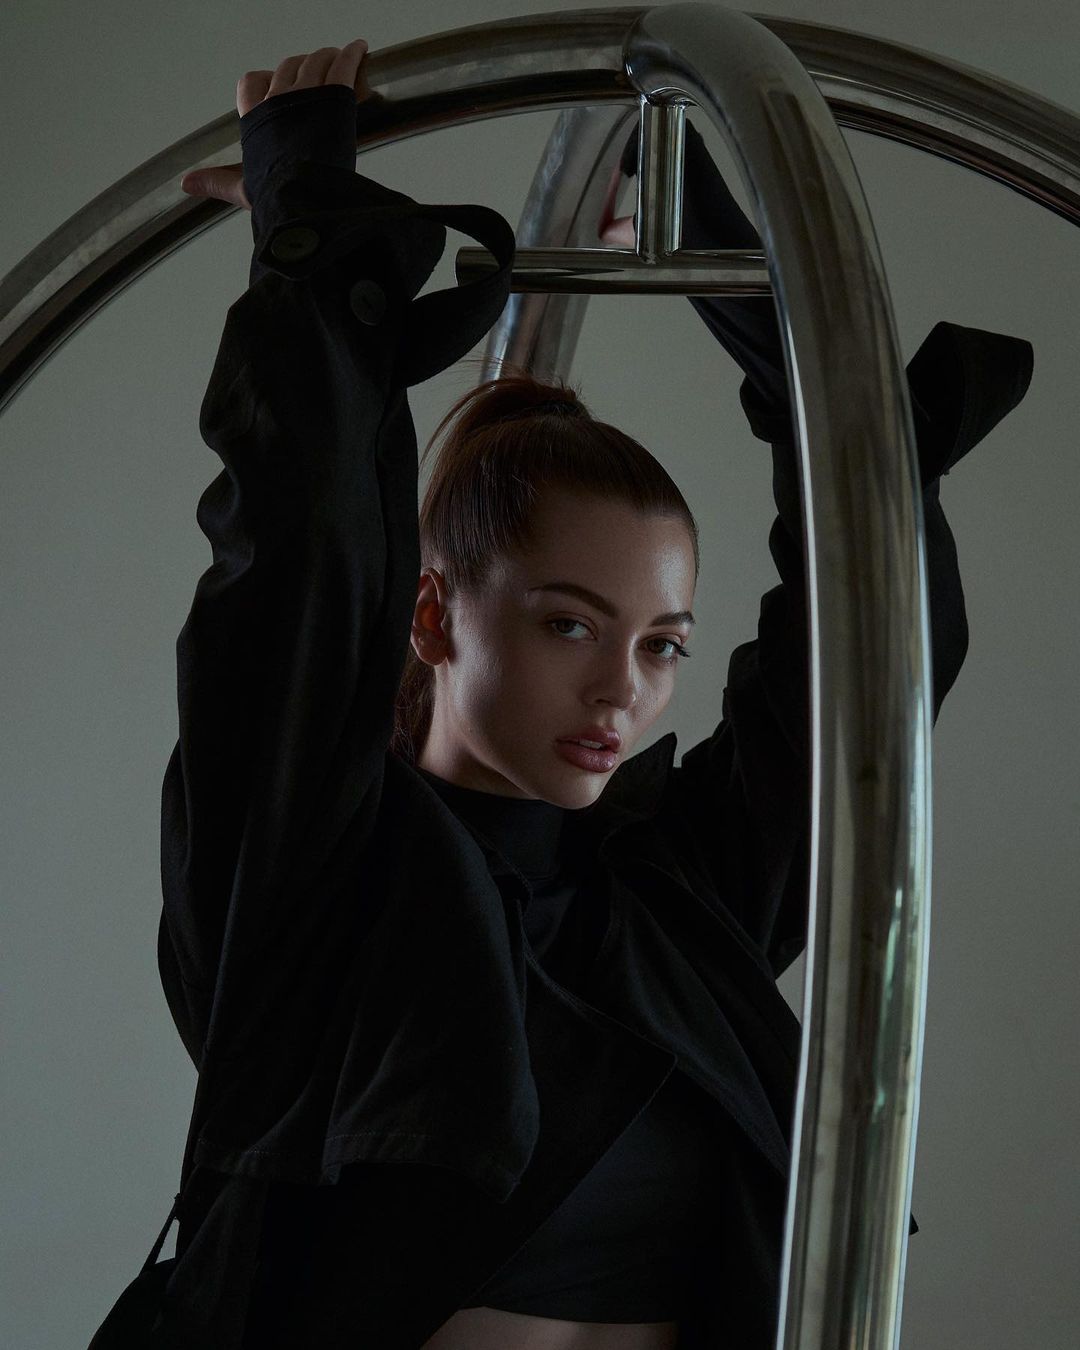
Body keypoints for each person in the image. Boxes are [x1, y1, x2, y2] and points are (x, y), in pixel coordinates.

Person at [155, 38, 1035, 1350]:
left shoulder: (673, 900)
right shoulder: (315, 874)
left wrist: (750, 279)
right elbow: (297, 558)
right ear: (436, 615)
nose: (622, 688)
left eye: (663, 643)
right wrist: (308, 234)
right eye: (570, 623)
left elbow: (875, 638)